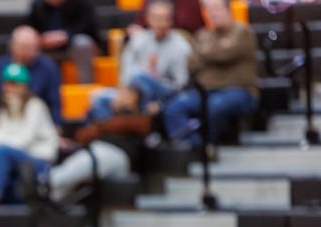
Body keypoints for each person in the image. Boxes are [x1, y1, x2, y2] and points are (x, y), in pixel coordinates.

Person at [163, 0, 258, 147]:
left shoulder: (243, 31)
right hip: (205, 91)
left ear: (228, 10)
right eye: (209, 10)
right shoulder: (202, 34)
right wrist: (213, 52)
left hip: (239, 91)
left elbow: (225, 55)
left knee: (214, 106)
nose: (214, 14)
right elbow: (190, 65)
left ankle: (209, 145)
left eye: (217, 9)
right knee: (174, 107)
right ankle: (195, 147)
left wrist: (204, 54)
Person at [0, 63, 59, 206]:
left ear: (24, 86)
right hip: (15, 155)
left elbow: (23, 142)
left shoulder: (35, 106)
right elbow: (1, 136)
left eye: (14, 84)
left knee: (1, 151)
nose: (9, 88)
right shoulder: (5, 107)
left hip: (39, 160)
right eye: (7, 83)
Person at [90, 0, 191, 122]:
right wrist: (123, 93)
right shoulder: (139, 40)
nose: (160, 22)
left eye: (164, 18)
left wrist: (159, 103)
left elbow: (181, 83)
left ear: (171, 20)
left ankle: (139, 123)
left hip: (163, 91)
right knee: (98, 97)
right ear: (148, 18)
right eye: (156, 17)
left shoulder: (180, 46)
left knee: (138, 74)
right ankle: (112, 134)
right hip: (133, 93)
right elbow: (125, 72)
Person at [0, 26, 62, 128]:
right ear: (12, 45)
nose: (26, 51)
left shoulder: (48, 67)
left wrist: (56, 127)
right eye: (23, 46)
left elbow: (54, 101)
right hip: (4, 118)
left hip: (35, 122)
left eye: (30, 47)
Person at [25, 0, 100, 83]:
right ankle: (33, 88)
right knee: (25, 43)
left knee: (83, 43)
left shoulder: (81, 3)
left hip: (73, 46)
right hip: (47, 48)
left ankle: (86, 87)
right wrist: (42, 38)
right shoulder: (37, 6)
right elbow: (30, 28)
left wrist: (66, 36)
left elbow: (88, 26)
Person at [129, 0, 205, 36]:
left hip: (180, 40)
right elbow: (140, 21)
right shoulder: (149, 2)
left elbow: (196, 27)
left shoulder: (190, 2)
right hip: (153, 39)